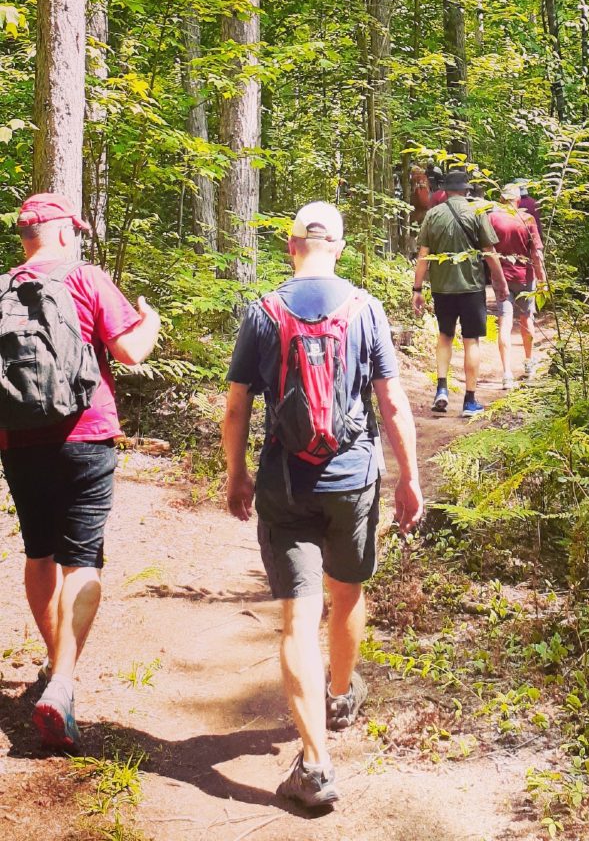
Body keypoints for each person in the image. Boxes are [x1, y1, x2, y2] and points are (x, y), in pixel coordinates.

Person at [223, 201, 423, 809]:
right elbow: (392, 405)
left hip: (286, 483)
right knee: (348, 592)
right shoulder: (365, 309)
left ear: (291, 247)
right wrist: (409, 479)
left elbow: (235, 408)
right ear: (338, 245)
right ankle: (339, 693)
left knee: (295, 620)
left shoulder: (263, 313)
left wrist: (236, 475)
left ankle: (314, 765)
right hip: (353, 479)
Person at [0, 193, 161, 749]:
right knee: (82, 558)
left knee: (38, 551)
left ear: (26, 237)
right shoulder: (87, 278)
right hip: (85, 436)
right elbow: (131, 352)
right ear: (66, 232)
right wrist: (152, 321)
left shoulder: (4, 288)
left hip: (17, 441)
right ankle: (63, 683)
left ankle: (52, 664)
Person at [412, 170, 508, 417]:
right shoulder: (477, 214)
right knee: (471, 341)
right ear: (466, 190)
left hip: (442, 288)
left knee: (445, 336)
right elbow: (489, 252)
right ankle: (469, 401)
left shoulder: (433, 215)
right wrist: (500, 283)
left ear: (444, 191)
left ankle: (441, 389)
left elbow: (423, 255)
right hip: (471, 287)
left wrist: (417, 288)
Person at [489, 184, 546, 387]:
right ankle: (529, 364)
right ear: (518, 200)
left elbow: (488, 251)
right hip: (525, 277)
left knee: (504, 322)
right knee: (526, 320)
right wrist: (542, 280)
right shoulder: (527, 219)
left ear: (502, 199)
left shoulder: (492, 219)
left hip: (501, 278)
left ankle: (507, 374)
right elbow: (536, 254)